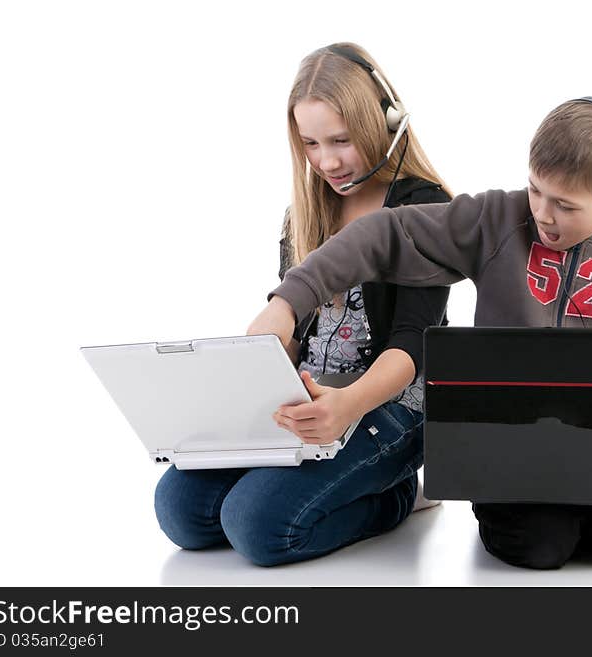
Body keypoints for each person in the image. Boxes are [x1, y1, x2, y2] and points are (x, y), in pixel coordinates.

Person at [252, 96, 592, 569]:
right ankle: (557, 521)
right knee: (539, 547)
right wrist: (290, 300)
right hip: (511, 459)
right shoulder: (497, 222)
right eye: (536, 190)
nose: (544, 214)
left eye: (565, 205)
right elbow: (383, 234)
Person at [155, 43, 451, 566]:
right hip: (313, 400)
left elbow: (413, 343)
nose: (327, 161)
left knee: (257, 525)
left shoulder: (424, 208)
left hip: (390, 404)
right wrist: (252, 375)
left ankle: (398, 496)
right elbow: (296, 332)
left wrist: (349, 406)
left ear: (384, 124)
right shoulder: (308, 209)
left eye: (342, 140)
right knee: (181, 509)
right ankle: (319, 482)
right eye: (311, 143)